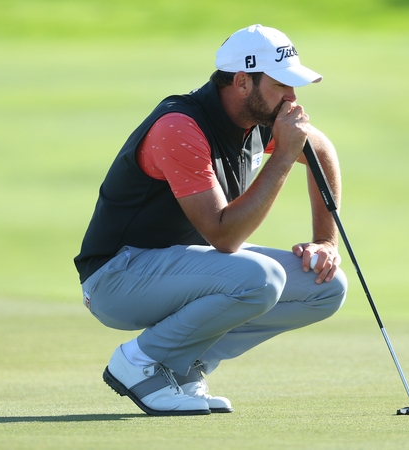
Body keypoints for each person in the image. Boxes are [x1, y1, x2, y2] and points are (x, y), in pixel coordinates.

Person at [74, 24, 347, 416]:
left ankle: (183, 366)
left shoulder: (255, 121)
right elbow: (224, 236)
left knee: (325, 286)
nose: (292, 98)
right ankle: (139, 363)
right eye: (281, 85)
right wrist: (284, 157)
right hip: (117, 278)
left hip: (179, 269)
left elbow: (320, 148)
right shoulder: (179, 126)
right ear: (242, 83)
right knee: (260, 278)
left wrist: (325, 241)